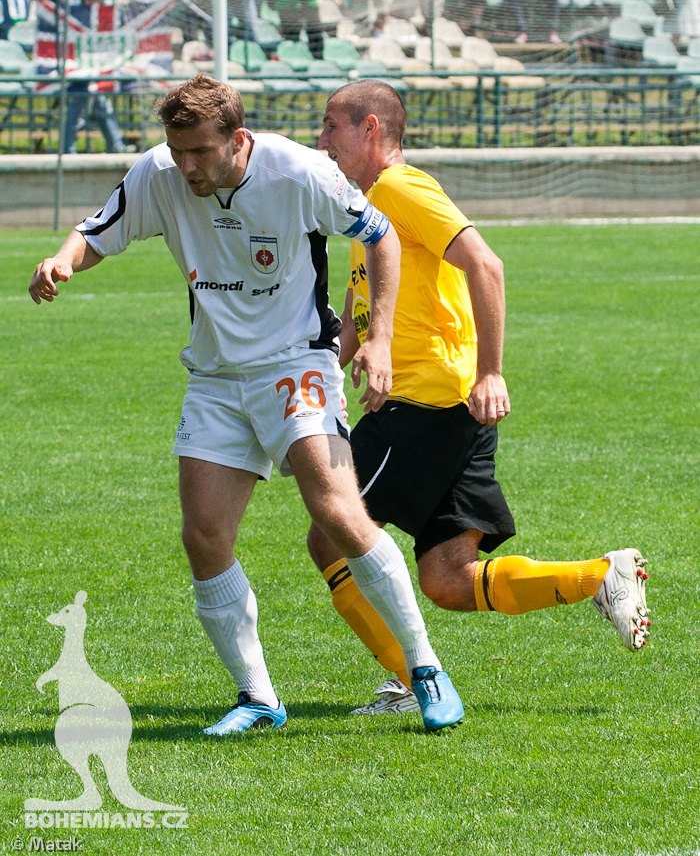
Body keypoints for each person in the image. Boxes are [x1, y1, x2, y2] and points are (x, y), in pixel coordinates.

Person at [28, 74, 464, 736]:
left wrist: (376, 339)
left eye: (201, 151)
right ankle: (258, 696)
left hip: (298, 361)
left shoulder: (299, 172)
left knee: (335, 509)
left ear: (238, 138)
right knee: (203, 533)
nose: (188, 166)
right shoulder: (161, 172)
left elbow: (381, 235)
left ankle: (425, 666)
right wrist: (63, 258)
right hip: (216, 376)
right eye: (179, 152)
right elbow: (100, 230)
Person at [305, 80, 651, 715]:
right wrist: (331, 357)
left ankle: (412, 684)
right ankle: (601, 577)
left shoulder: (400, 189)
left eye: (332, 126)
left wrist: (491, 372)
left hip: (425, 403)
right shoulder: (366, 206)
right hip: (447, 409)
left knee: (331, 538)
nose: (321, 140)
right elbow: (360, 310)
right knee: (446, 579)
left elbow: (484, 264)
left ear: (372, 130)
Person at [56, 0, 126, 154]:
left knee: (90, 90)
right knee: (85, 89)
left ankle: (71, 145)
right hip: (77, 8)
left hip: (102, 13)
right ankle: (112, 143)